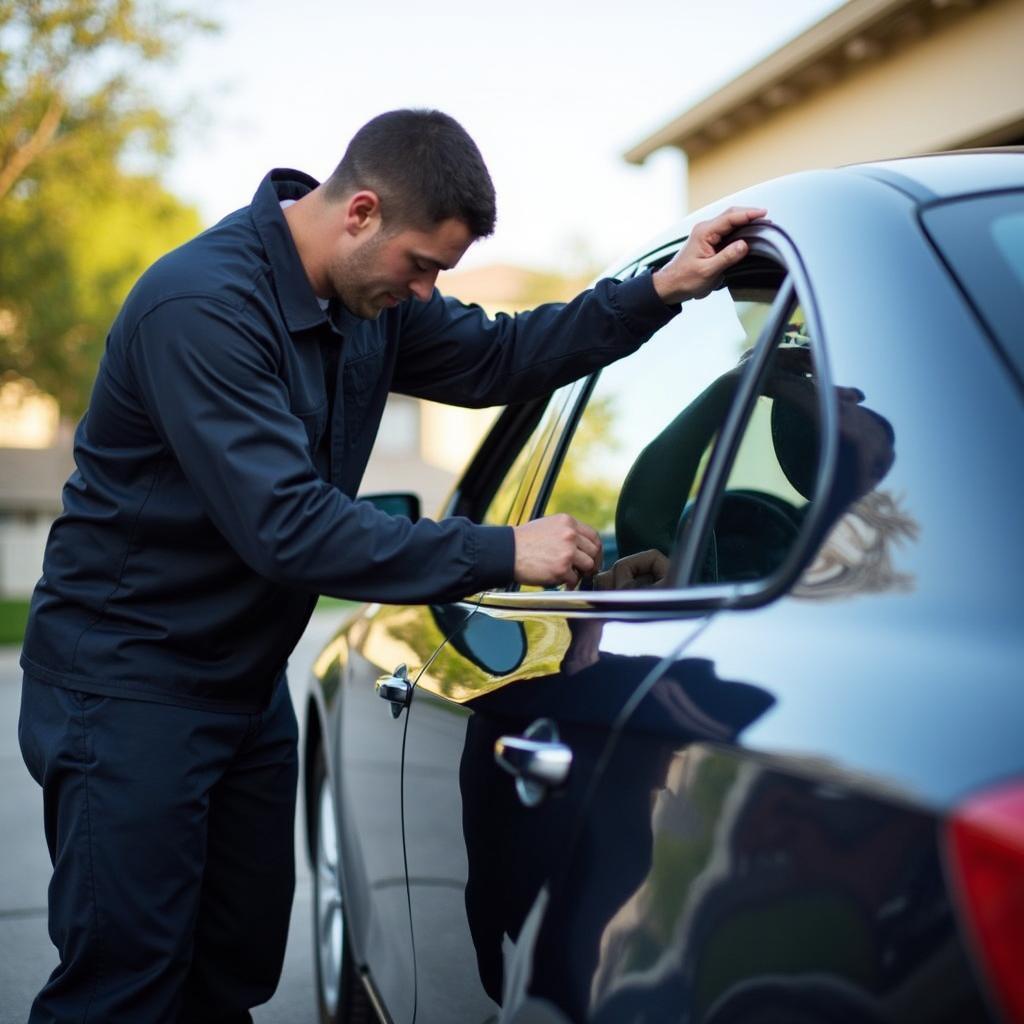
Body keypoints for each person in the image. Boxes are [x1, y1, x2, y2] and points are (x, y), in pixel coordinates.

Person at [17, 108, 764, 1022]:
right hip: (126, 689)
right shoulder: (203, 308)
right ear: (360, 212)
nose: (425, 292)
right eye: (423, 266)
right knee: (123, 989)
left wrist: (659, 290)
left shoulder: (367, 299)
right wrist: (502, 550)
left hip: (241, 691)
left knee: (229, 974)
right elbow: (289, 528)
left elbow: (501, 355)